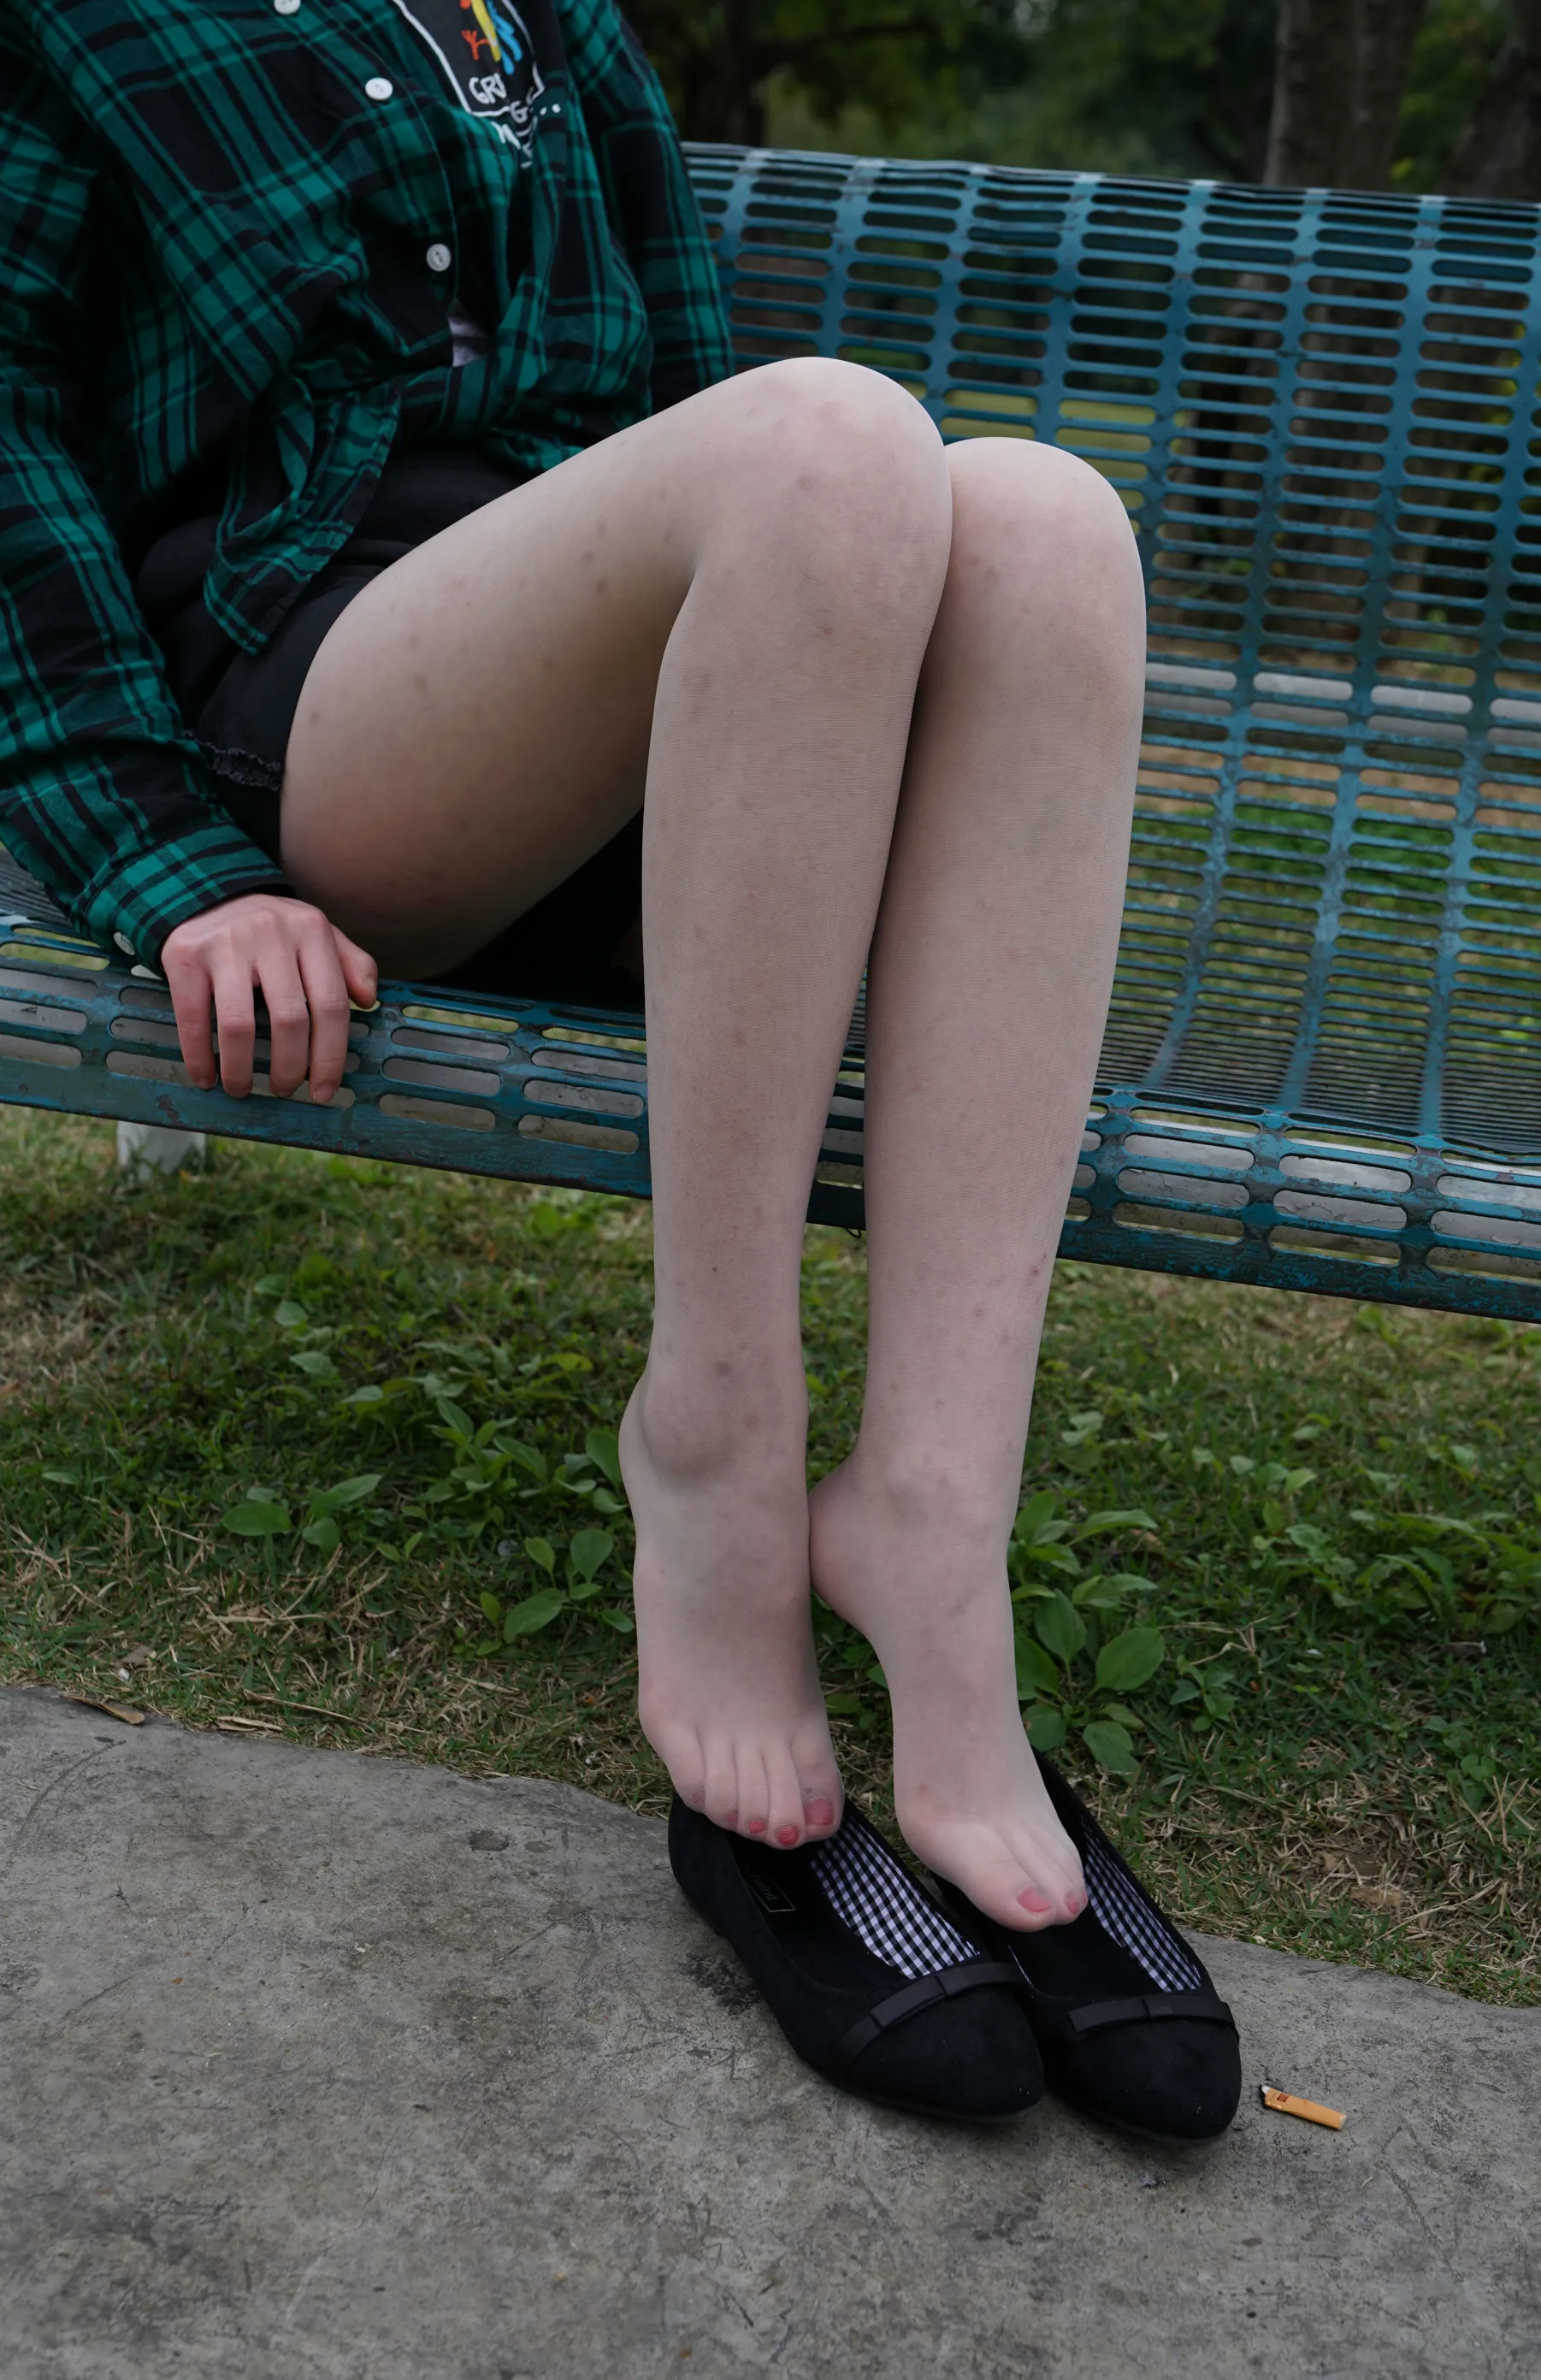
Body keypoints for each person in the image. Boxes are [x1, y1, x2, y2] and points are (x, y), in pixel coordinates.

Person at [1, 0, 1239, 2129]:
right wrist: (170, 864)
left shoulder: (544, 24)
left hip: (621, 719)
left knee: (1045, 526)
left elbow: (678, 428)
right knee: (829, 433)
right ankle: (717, 1447)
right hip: (312, 698)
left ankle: (935, 1526)